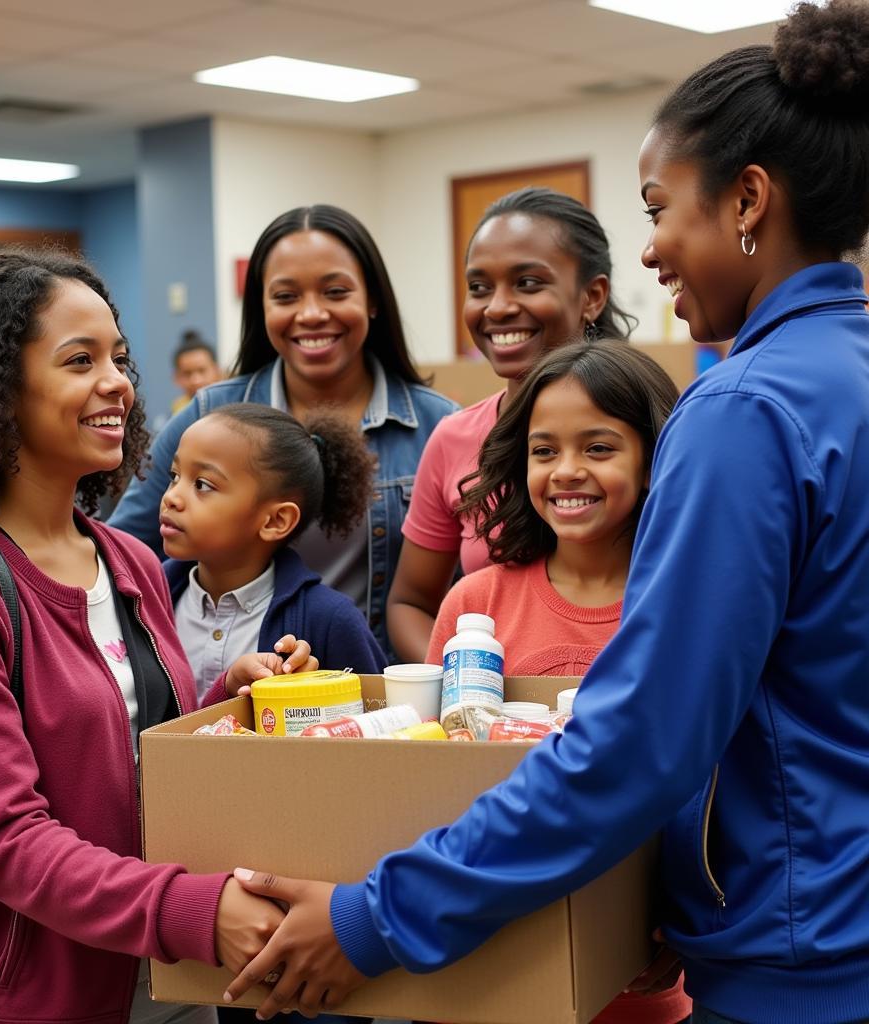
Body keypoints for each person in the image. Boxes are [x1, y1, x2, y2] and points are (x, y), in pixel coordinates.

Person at [221, 3, 869, 1023]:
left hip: (806, 957)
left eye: (662, 209)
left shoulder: (746, 411)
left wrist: (374, 916)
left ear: (747, 199)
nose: (652, 252)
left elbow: (640, 737)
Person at [0, 250, 320, 1024]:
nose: (118, 382)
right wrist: (195, 910)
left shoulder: (130, 559)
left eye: (119, 357)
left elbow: (136, 757)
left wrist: (226, 701)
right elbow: (8, 845)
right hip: (37, 999)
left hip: (173, 983)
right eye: (81, 360)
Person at [427, 341, 686, 1023]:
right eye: (544, 451)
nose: (567, 472)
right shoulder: (474, 605)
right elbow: (425, 771)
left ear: (656, 454)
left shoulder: (683, 606)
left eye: (599, 448)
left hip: (646, 976)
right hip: (495, 966)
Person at [109, 205, 460, 658]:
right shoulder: (210, 415)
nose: (311, 314)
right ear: (262, 306)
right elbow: (122, 555)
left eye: (335, 291)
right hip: (234, 695)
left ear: (372, 299)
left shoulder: (439, 427)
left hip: (382, 695)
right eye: (286, 296)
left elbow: (474, 588)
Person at [387, 188, 635, 662]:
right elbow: (410, 602)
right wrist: (470, 685)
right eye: (479, 287)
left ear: (592, 296)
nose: (497, 307)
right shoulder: (455, 438)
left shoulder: (646, 424)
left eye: (527, 283)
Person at [162, 403, 387, 701]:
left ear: (275, 521)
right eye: (175, 475)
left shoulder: (331, 620)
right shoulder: (141, 599)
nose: (172, 497)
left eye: (202, 484)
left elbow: (383, 727)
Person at [172, 331, 222, 414]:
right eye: (187, 373)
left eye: (202, 371)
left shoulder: (235, 410)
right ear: (176, 378)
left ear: (217, 371)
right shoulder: (173, 417)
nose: (196, 380)